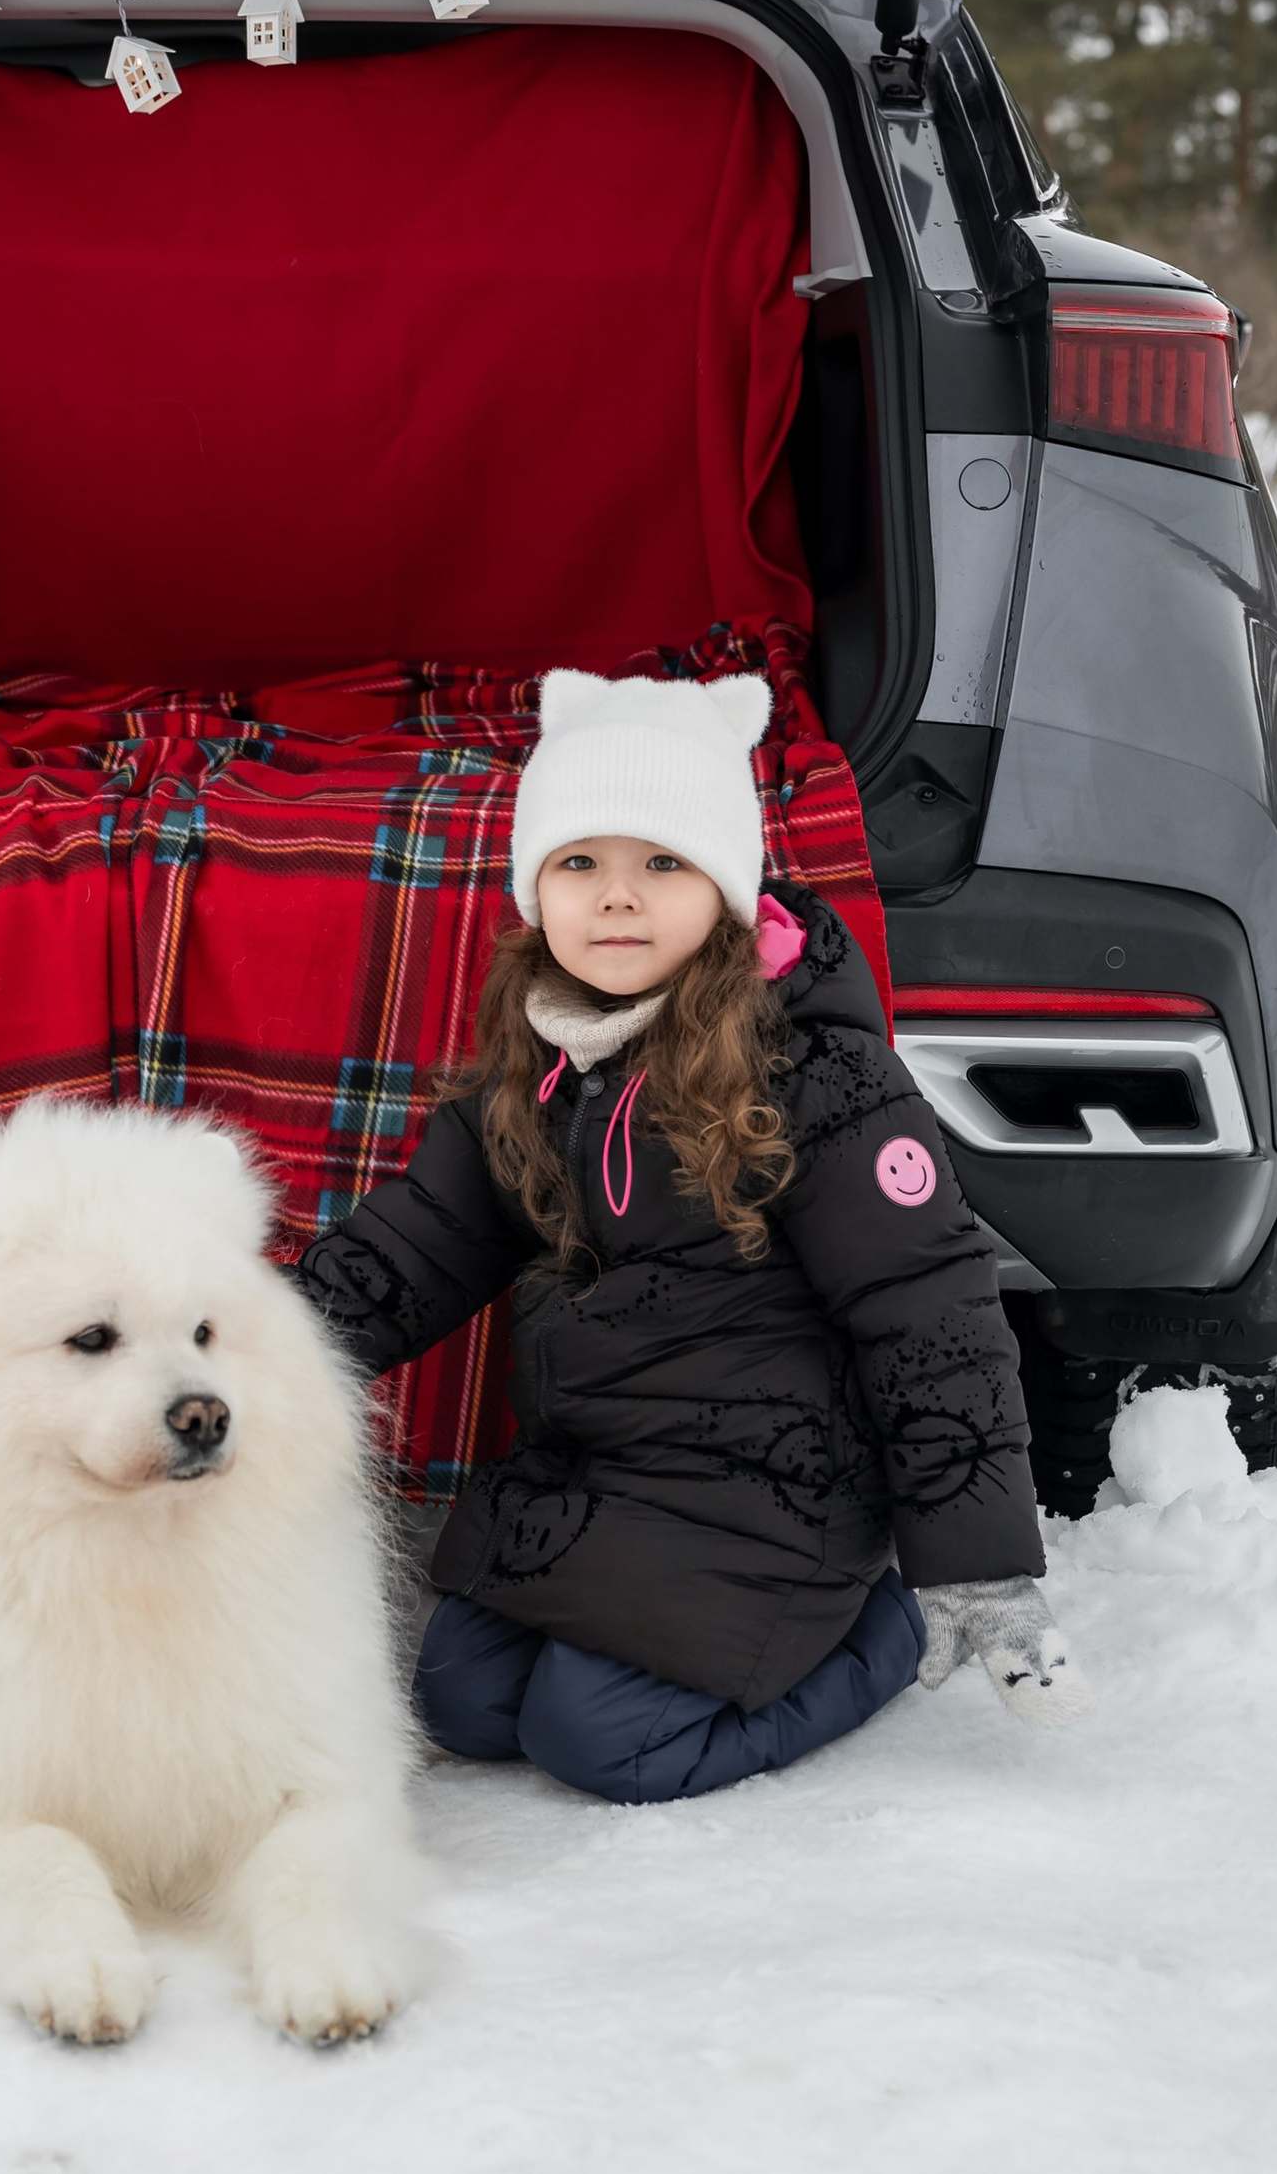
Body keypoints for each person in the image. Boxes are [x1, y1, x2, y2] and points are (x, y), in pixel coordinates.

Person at [293, 667, 1089, 1804]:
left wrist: (976, 1565)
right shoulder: (539, 1067)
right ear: (537, 892)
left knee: (604, 1741)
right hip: (611, 1476)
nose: (617, 898)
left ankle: (882, 1634)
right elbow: (401, 1257)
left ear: (723, 882)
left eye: (661, 861)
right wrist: (226, 1363)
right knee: (461, 1703)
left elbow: (931, 1310)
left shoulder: (816, 1076)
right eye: (580, 863)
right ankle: (689, 1637)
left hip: (781, 1490)